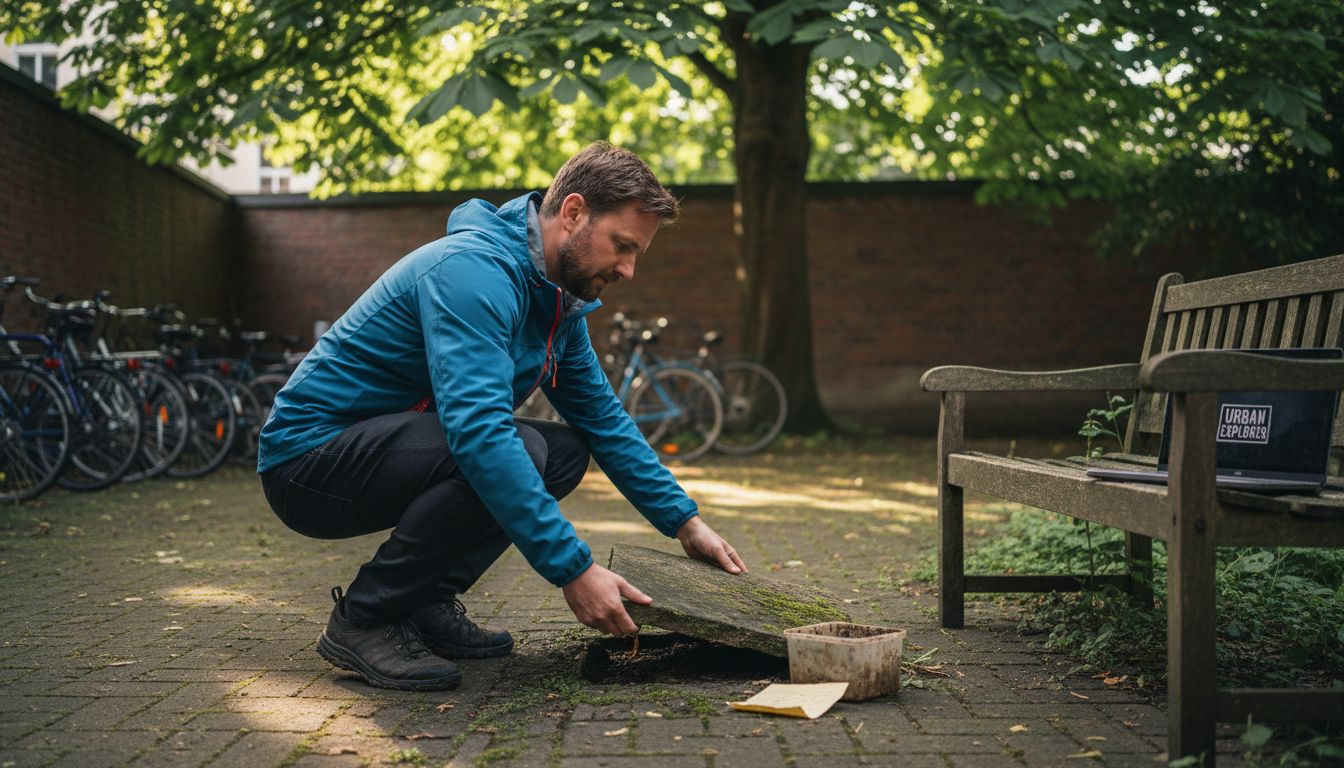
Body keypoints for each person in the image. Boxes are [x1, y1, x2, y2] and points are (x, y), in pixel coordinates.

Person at [256, 142, 746, 691]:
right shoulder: (473, 272)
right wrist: (574, 570)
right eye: (622, 247)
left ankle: (425, 603)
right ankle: (365, 618)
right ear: (574, 212)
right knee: (515, 449)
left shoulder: (556, 304)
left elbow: (604, 418)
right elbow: (480, 433)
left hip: (377, 448)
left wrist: (685, 522)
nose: (629, 271)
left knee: (562, 453)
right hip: (308, 461)